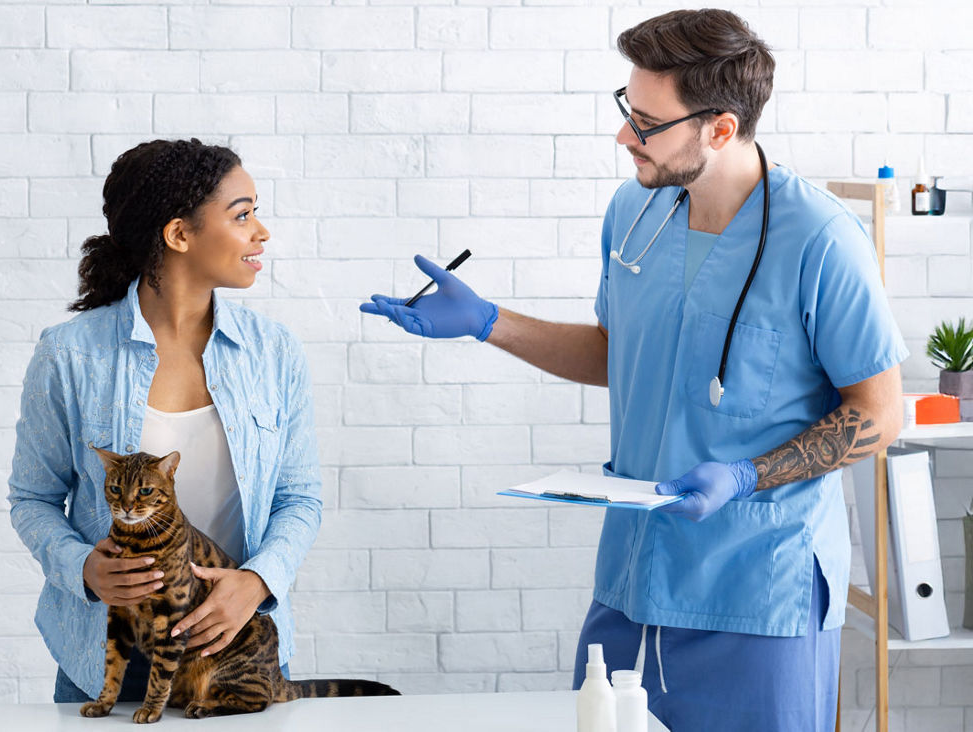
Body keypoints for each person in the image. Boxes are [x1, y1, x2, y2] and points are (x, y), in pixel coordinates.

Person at [361, 9, 905, 731]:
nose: (625, 136)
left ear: (718, 129)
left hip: (756, 589)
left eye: (646, 122)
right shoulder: (635, 212)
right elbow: (625, 356)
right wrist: (490, 323)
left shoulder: (823, 240)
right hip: (631, 581)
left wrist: (746, 475)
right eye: (628, 110)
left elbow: (879, 413)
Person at [9, 139, 322, 705]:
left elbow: (299, 498)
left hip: (231, 656)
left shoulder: (274, 354)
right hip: (108, 657)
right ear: (179, 235)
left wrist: (257, 583)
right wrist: (83, 568)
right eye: (243, 214)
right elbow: (32, 497)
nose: (262, 232)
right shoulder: (69, 355)